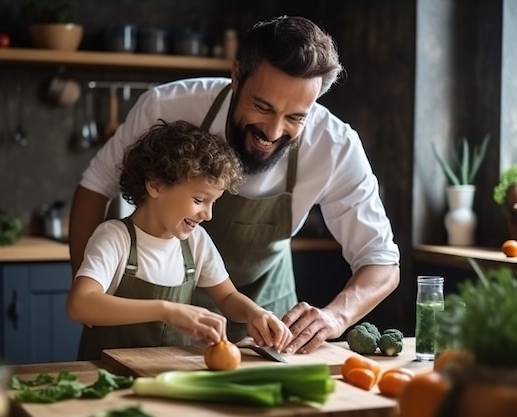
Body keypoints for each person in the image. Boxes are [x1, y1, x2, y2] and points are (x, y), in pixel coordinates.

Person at [68, 15, 400, 354]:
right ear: (237, 76)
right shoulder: (168, 107)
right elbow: (95, 187)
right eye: (262, 107)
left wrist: (336, 317)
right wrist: (94, 290)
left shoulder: (335, 146)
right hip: (143, 317)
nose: (272, 132)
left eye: (295, 117)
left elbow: (381, 260)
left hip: (265, 312)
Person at [67, 120, 293, 359]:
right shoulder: (115, 237)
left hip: (165, 376)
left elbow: (227, 297)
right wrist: (167, 311)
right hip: (108, 379)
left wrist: (254, 313)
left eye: (212, 202)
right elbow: (80, 304)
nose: (208, 214)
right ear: (156, 185)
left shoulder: (196, 242)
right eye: (198, 200)